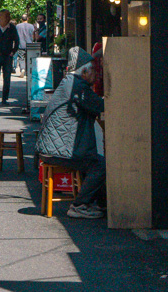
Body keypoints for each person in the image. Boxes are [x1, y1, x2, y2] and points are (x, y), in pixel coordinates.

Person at [37, 51, 106, 218]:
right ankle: (79, 205)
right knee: (100, 165)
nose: (96, 75)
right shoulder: (79, 87)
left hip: (50, 147)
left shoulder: (69, 82)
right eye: (94, 72)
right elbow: (100, 106)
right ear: (84, 72)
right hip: (59, 150)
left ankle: (93, 202)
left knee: (93, 160)